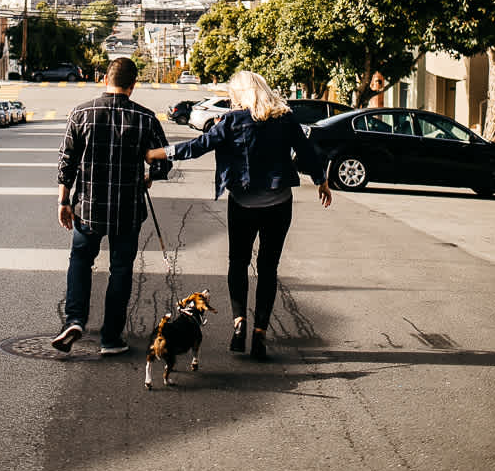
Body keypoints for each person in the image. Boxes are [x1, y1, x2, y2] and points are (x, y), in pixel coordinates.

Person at [146, 69, 331, 361]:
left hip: (242, 204)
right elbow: (307, 153)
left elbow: (197, 147)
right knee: (268, 267)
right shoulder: (285, 119)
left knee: (238, 262)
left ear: (240, 94)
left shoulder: (231, 121)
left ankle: (238, 323)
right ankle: (260, 332)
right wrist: (321, 180)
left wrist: (160, 153)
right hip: (278, 204)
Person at [53, 56, 171, 356]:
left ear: (106, 79)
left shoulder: (81, 113)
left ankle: (75, 319)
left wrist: (63, 200)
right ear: (133, 85)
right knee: (120, 270)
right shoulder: (146, 118)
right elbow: (163, 160)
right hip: (128, 210)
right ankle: (110, 338)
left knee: (80, 261)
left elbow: (67, 162)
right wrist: (149, 176)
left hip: (88, 208)